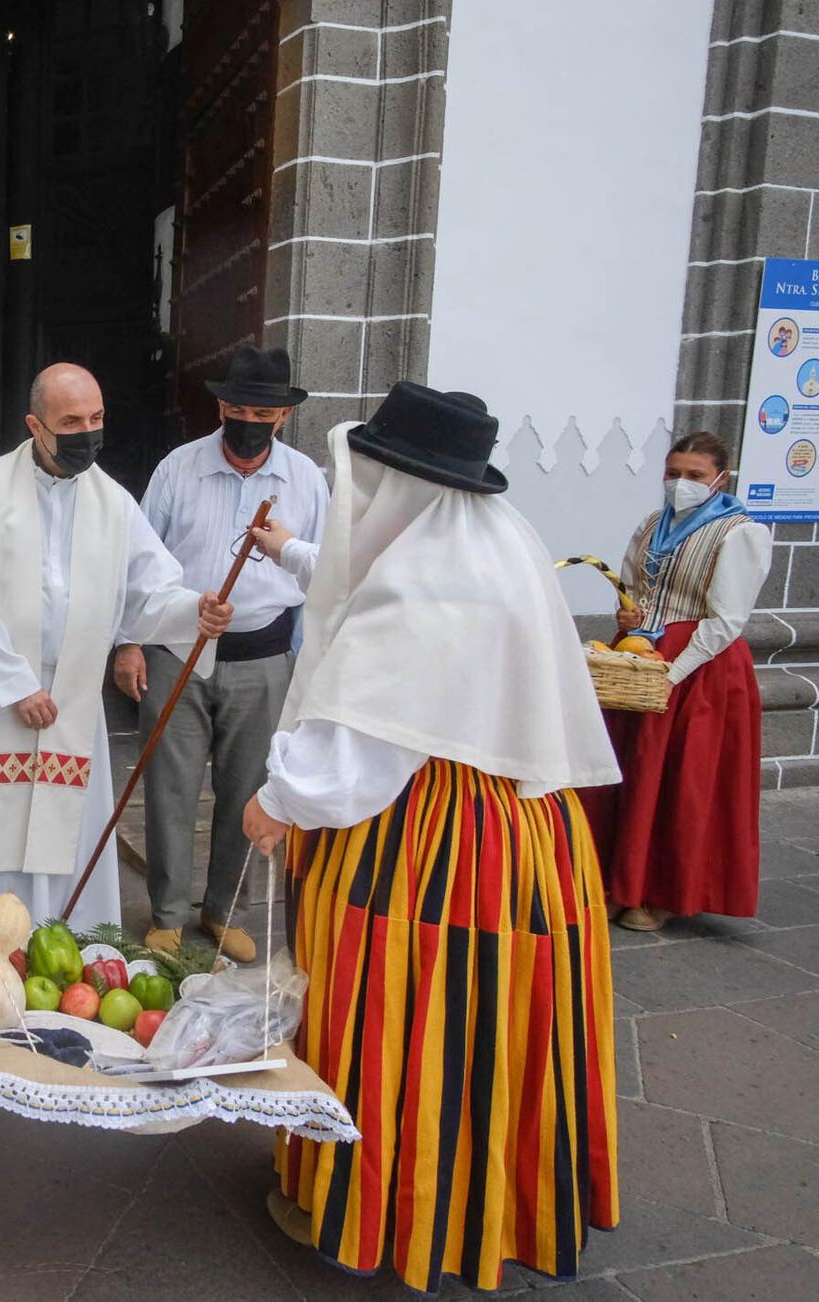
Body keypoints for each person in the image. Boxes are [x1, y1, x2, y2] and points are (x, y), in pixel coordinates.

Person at [242, 383, 622, 1293]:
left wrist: (278, 802)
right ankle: (485, 1206)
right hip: (527, 837)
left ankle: (384, 1209)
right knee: (491, 1028)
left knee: (390, 1016)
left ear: (397, 481)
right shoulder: (504, 546)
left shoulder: (427, 579)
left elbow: (365, 739)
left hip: (422, 850)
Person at [0, 362, 233, 930]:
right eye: (71, 420)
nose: (87, 431)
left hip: (70, 694)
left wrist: (193, 610)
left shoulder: (113, 503)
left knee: (66, 832)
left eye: (96, 418)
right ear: (35, 425)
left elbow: (150, 587)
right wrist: (16, 685)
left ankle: (65, 944)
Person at [114, 344, 326, 962]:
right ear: (221, 406)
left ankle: (223, 910)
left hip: (264, 658)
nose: (248, 422)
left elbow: (324, 578)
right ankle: (169, 913)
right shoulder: (177, 470)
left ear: (281, 418)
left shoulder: (306, 481)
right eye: (237, 407)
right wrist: (129, 643)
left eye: (262, 414)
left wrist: (307, 667)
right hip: (176, 649)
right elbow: (138, 563)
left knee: (248, 791)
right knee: (170, 787)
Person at [590, 431, 771, 931]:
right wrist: (627, 618)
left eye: (694, 476)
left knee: (678, 779)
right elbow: (631, 586)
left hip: (700, 666)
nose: (680, 484)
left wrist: (673, 673)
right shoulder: (652, 523)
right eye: (673, 474)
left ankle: (662, 891)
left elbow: (727, 619)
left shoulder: (741, 533)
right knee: (626, 769)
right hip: (640, 658)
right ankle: (614, 880)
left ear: (721, 478)